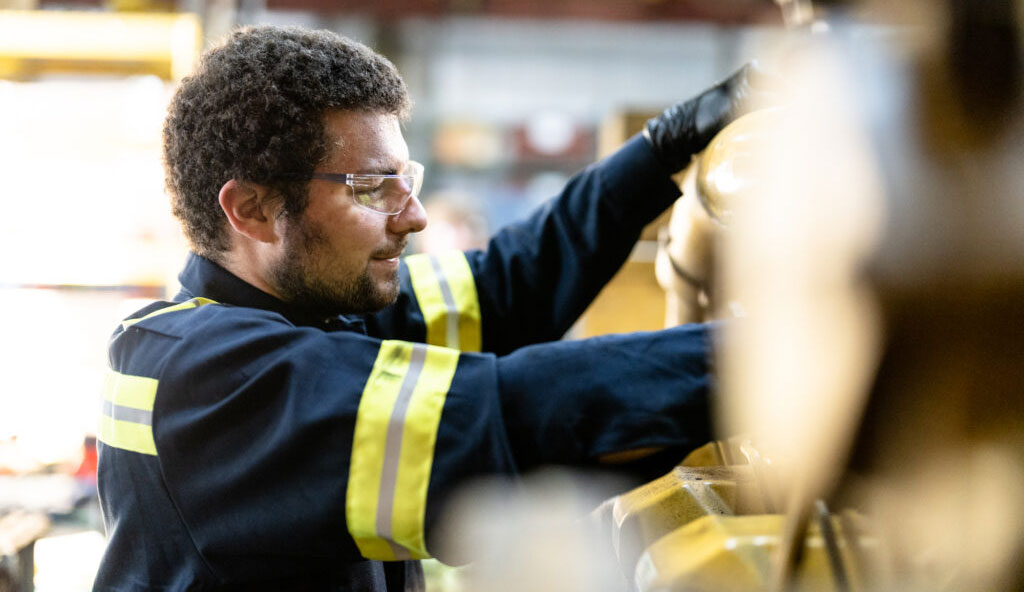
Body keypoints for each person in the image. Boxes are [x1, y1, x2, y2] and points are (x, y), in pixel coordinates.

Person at [94, 25, 760, 591]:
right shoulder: (203, 379)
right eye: (372, 188)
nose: (412, 216)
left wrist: (663, 149)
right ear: (255, 209)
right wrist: (776, 353)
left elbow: (509, 290)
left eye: (405, 181)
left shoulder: (319, 315)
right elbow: (506, 413)